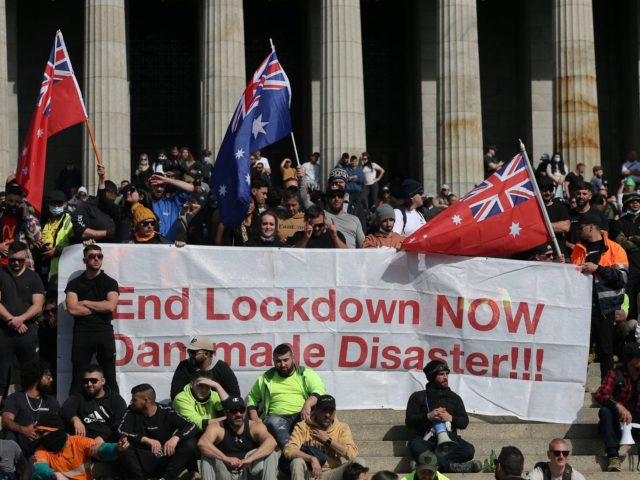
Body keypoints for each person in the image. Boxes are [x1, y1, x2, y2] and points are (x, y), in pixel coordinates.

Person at [571, 210, 628, 379]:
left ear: (591, 227)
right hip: (582, 308)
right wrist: (563, 267)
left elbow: (621, 278)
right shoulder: (578, 249)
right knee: (580, 350)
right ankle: (577, 388)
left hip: (605, 310)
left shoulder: (615, 249)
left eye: (580, 227)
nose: (577, 231)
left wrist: (598, 269)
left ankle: (607, 391)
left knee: (606, 351)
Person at [405, 360, 480, 473]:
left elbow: (464, 422)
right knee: (415, 446)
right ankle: (451, 466)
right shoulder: (418, 397)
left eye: (446, 374)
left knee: (468, 450)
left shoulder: (455, 398)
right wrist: (428, 416)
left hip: (450, 440)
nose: (445, 377)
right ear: (432, 376)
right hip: (426, 439)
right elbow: (409, 422)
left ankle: (427, 463)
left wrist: (450, 418)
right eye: (441, 374)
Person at [246, 343, 326, 448]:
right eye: (278, 361)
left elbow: (319, 390)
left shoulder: (305, 373)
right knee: (272, 422)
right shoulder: (266, 378)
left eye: (285, 360)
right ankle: (295, 450)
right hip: (276, 418)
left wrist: (308, 403)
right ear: (273, 361)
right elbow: (251, 397)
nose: (282, 364)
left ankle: (296, 451)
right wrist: (255, 418)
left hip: (302, 415)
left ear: (293, 358)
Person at [65, 244, 120, 394]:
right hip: (82, 333)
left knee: (109, 376)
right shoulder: (74, 284)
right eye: (92, 256)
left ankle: (117, 412)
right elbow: (72, 309)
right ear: (84, 260)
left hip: (104, 332)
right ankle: (72, 413)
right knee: (78, 376)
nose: (96, 259)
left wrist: (85, 302)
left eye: (99, 256)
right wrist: (99, 306)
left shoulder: (110, 282)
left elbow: (110, 306)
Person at [117, 383, 199, 480]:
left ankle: (166, 478)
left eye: (135, 399)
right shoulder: (131, 411)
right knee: (124, 444)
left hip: (163, 455)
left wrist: (176, 438)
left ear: (146, 401)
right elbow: (121, 430)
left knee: (190, 442)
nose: (131, 401)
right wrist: (145, 439)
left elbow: (193, 426)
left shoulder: (167, 411)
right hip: (141, 458)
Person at [0, 240, 45, 405]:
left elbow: (38, 305)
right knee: (1, 376)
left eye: (20, 259)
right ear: (8, 257)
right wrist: (12, 320)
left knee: (31, 374)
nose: (16, 263)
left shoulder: (34, 277)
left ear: (26, 257)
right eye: (13, 260)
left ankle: (31, 411)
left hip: (28, 330)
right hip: (4, 330)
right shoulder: (1, 273)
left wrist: (20, 320)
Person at [283, 394, 364, 480]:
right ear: (316, 410)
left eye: (331, 410)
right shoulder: (303, 426)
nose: (328, 415)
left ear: (335, 411)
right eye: (324, 410)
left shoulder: (342, 428)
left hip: (332, 472)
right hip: (310, 473)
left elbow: (352, 454)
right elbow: (289, 450)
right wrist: (312, 459)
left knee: (359, 462)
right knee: (297, 462)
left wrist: (328, 440)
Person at [198, 396, 279, 480]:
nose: (238, 414)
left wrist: (249, 459)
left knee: (271, 453)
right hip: (225, 474)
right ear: (226, 413)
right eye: (233, 411)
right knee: (207, 454)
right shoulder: (217, 427)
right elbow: (202, 443)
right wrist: (225, 458)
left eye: (242, 410)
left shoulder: (255, 426)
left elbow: (272, 442)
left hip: (248, 472)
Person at [32, 413, 129, 480]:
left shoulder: (78, 442)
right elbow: (39, 467)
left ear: (55, 431)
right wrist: (54, 475)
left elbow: (99, 449)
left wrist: (116, 448)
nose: (38, 437)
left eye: (41, 433)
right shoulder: (42, 450)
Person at [594, 341, 640, 471]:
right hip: (617, 419)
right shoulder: (615, 373)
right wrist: (618, 406)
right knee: (605, 411)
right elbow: (600, 394)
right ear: (630, 359)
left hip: (636, 418)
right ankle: (613, 456)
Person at [1, 361, 59, 457]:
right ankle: (10, 470)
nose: (51, 379)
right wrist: (24, 430)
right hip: (20, 447)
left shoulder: (51, 401)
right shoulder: (15, 398)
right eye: (48, 377)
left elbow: (58, 425)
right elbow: (6, 421)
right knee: (8, 435)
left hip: (42, 448)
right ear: (37, 378)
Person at [60, 364, 127, 443]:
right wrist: (75, 420)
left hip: (106, 444)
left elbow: (120, 424)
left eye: (93, 381)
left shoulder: (116, 399)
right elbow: (65, 408)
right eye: (86, 381)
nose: (89, 384)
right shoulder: (78, 396)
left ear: (103, 381)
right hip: (83, 443)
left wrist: (103, 437)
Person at [170, 335, 240, 400]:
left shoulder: (222, 367)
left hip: (217, 409)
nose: (190, 355)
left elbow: (234, 395)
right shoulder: (184, 365)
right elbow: (175, 394)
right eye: (189, 351)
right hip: (190, 407)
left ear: (206, 354)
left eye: (194, 352)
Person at [39, 190, 74, 292]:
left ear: (65, 204)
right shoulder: (42, 219)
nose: (56, 206)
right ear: (49, 204)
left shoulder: (71, 219)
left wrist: (57, 251)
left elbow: (75, 246)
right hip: (42, 266)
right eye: (53, 203)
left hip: (62, 268)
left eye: (59, 204)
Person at [148, 173, 195, 241]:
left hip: (171, 246)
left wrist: (166, 180)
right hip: (152, 245)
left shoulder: (172, 202)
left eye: (162, 185)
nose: (159, 189)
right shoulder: (145, 202)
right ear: (150, 186)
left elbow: (191, 188)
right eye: (156, 185)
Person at [538, 177, 570, 259]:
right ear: (539, 190)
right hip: (541, 257)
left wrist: (539, 227)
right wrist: (556, 226)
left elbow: (565, 227)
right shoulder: (534, 208)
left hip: (560, 255)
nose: (548, 192)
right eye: (545, 189)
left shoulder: (560, 207)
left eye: (551, 189)